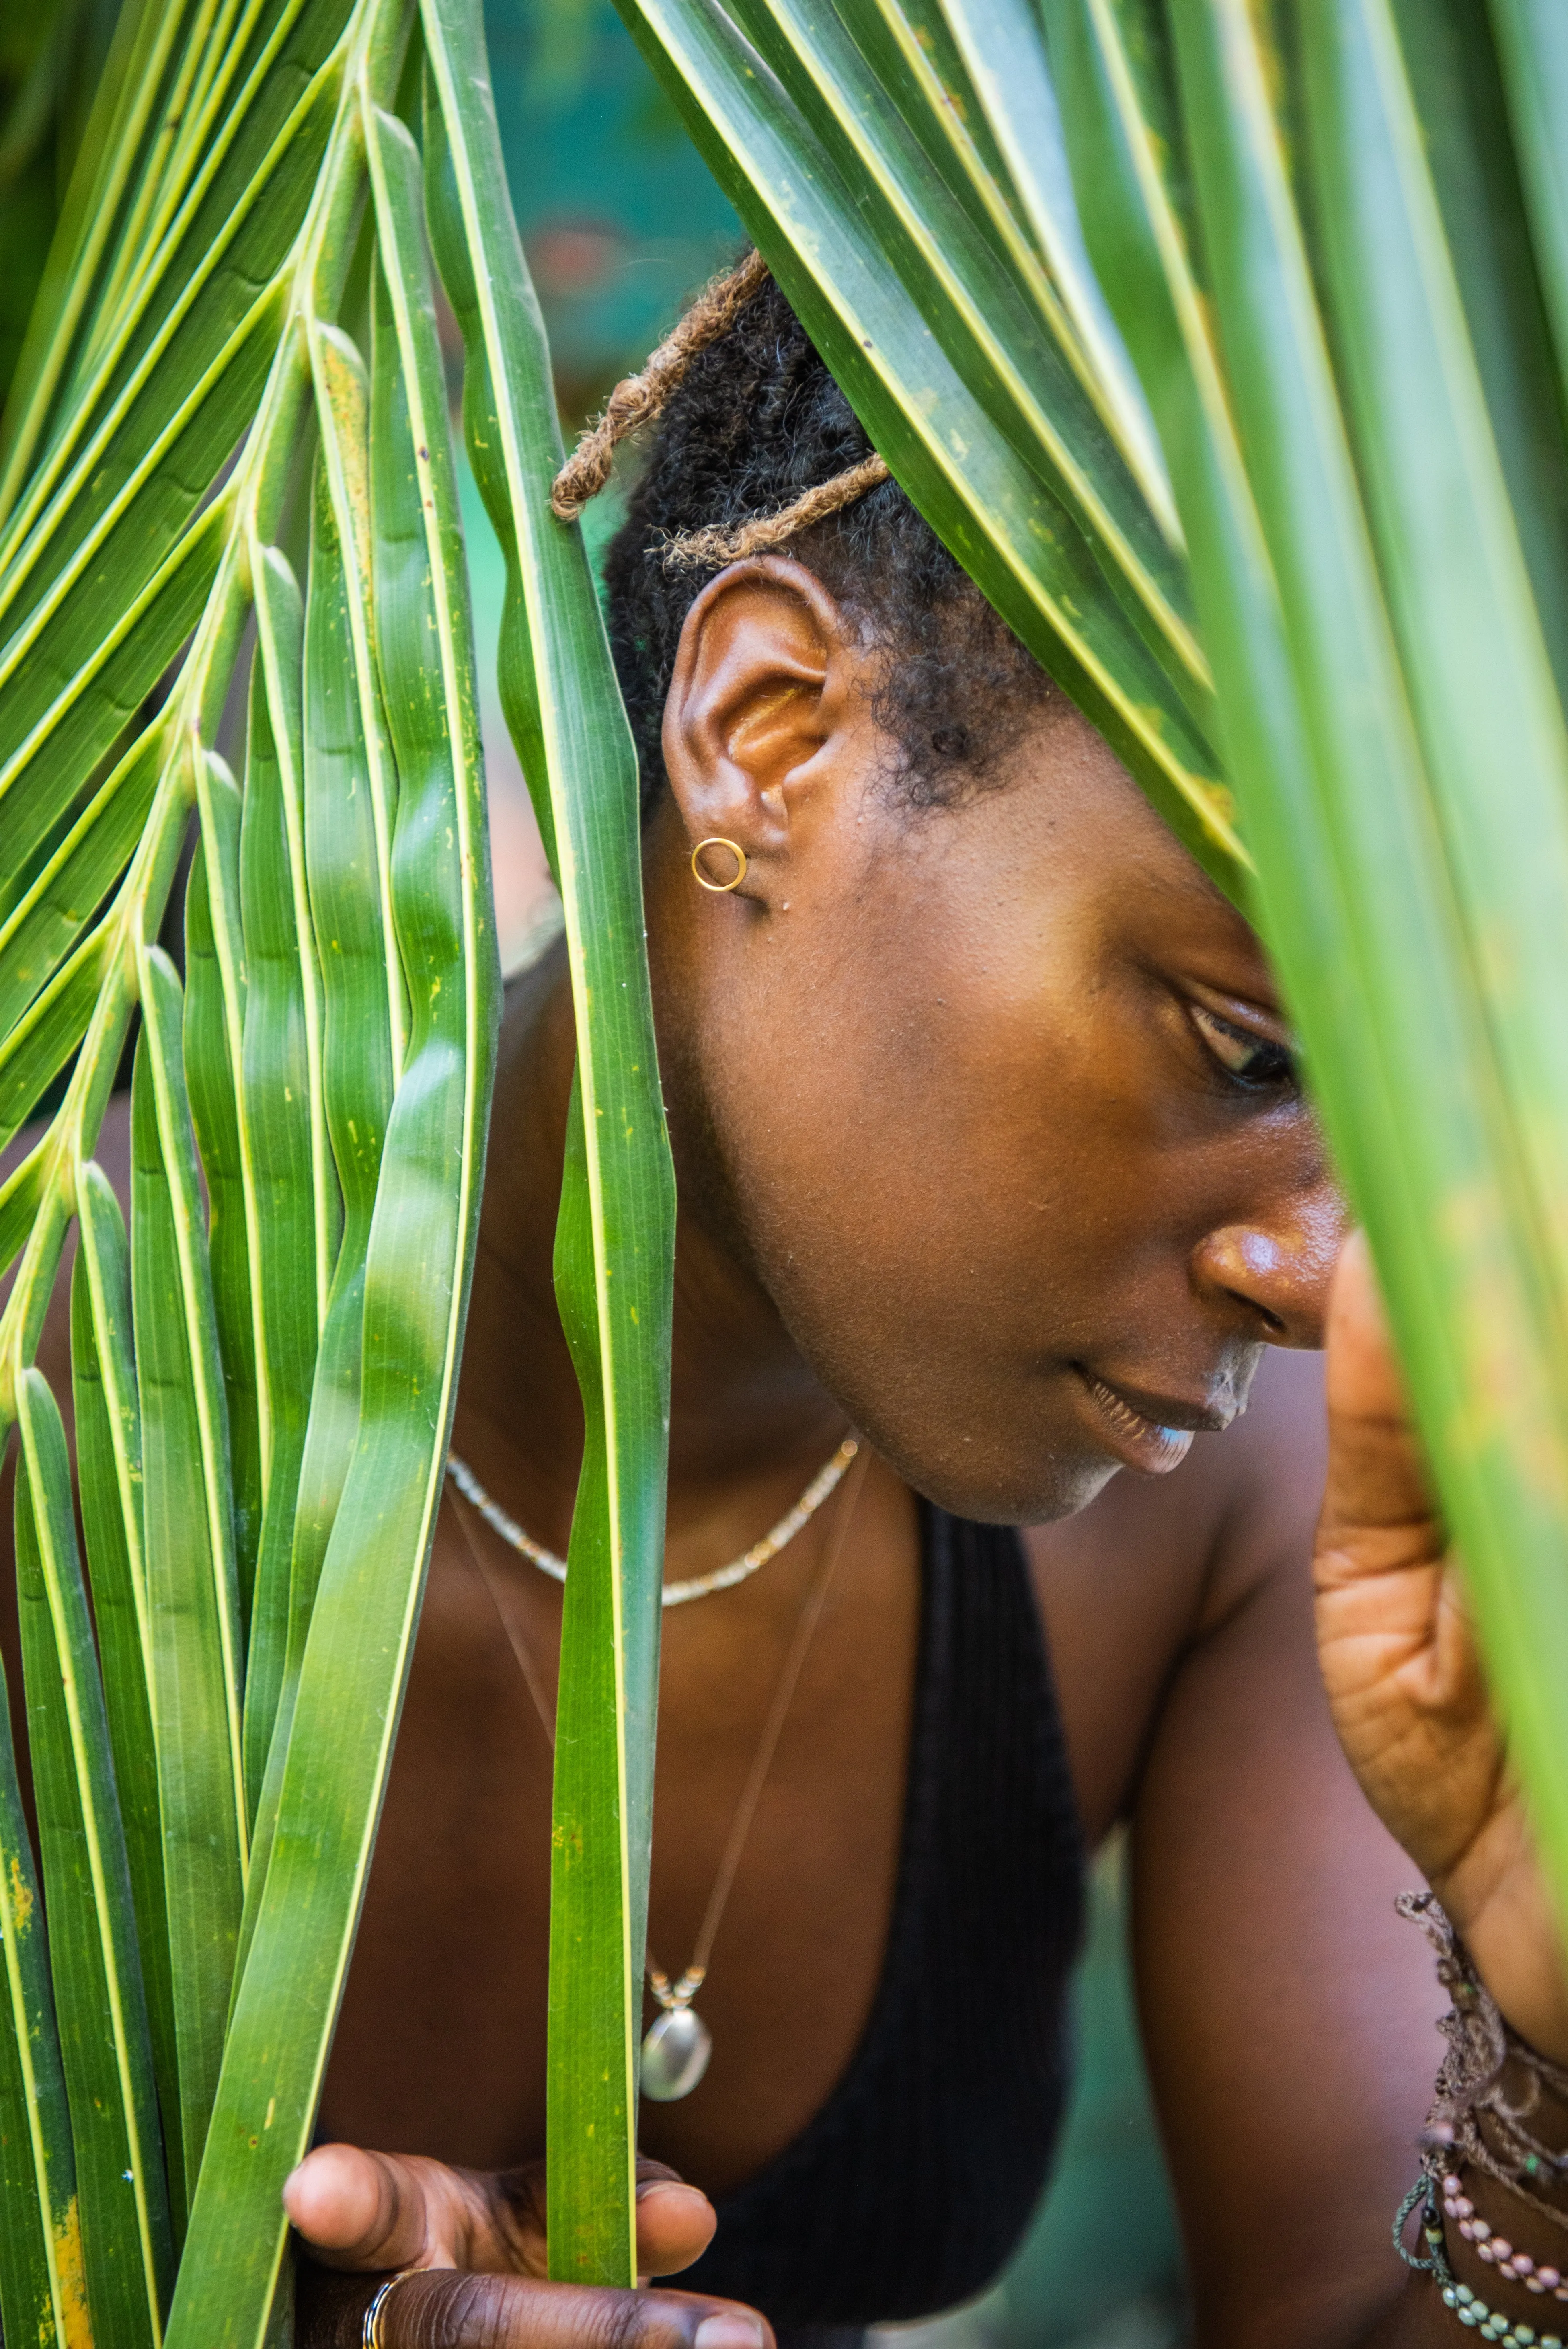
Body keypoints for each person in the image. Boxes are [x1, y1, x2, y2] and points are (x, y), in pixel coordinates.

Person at [282, 258, 1568, 2348]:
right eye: (1244, 1050)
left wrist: (1545, 2064)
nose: (1320, 1271)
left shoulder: (1244, 1515)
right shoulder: (61, 1368)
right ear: (766, 735)